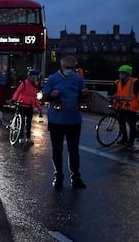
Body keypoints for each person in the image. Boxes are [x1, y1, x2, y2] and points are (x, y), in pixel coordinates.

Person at [43, 55, 89, 188]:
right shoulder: (53, 79)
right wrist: (51, 95)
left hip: (73, 119)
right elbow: (44, 97)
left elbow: (81, 97)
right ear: (61, 66)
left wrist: (84, 94)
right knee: (57, 150)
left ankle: (75, 177)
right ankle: (58, 175)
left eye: (72, 68)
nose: (69, 70)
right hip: (56, 119)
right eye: (67, 67)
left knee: (73, 150)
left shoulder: (78, 79)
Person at [108, 65, 139, 146]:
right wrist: (110, 96)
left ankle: (131, 140)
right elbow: (111, 91)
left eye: (122, 73)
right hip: (122, 105)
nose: (120, 74)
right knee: (121, 122)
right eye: (120, 72)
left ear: (127, 74)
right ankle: (124, 138)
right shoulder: (117, 82)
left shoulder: (134, 82)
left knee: (131, 123)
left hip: (132, 106)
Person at [11, 68, 42, 144]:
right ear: (30, 76)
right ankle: (21, 137)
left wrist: (39, 107)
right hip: (22, 105)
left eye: (36, 76)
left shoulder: (35, 86)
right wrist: (13, 99)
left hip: (29, 106)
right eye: (34, 76)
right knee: (22, 123)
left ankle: (28, 138)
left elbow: (34, 98)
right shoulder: (24, 83)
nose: (35, 78)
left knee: (28, 123)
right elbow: (18, 92)